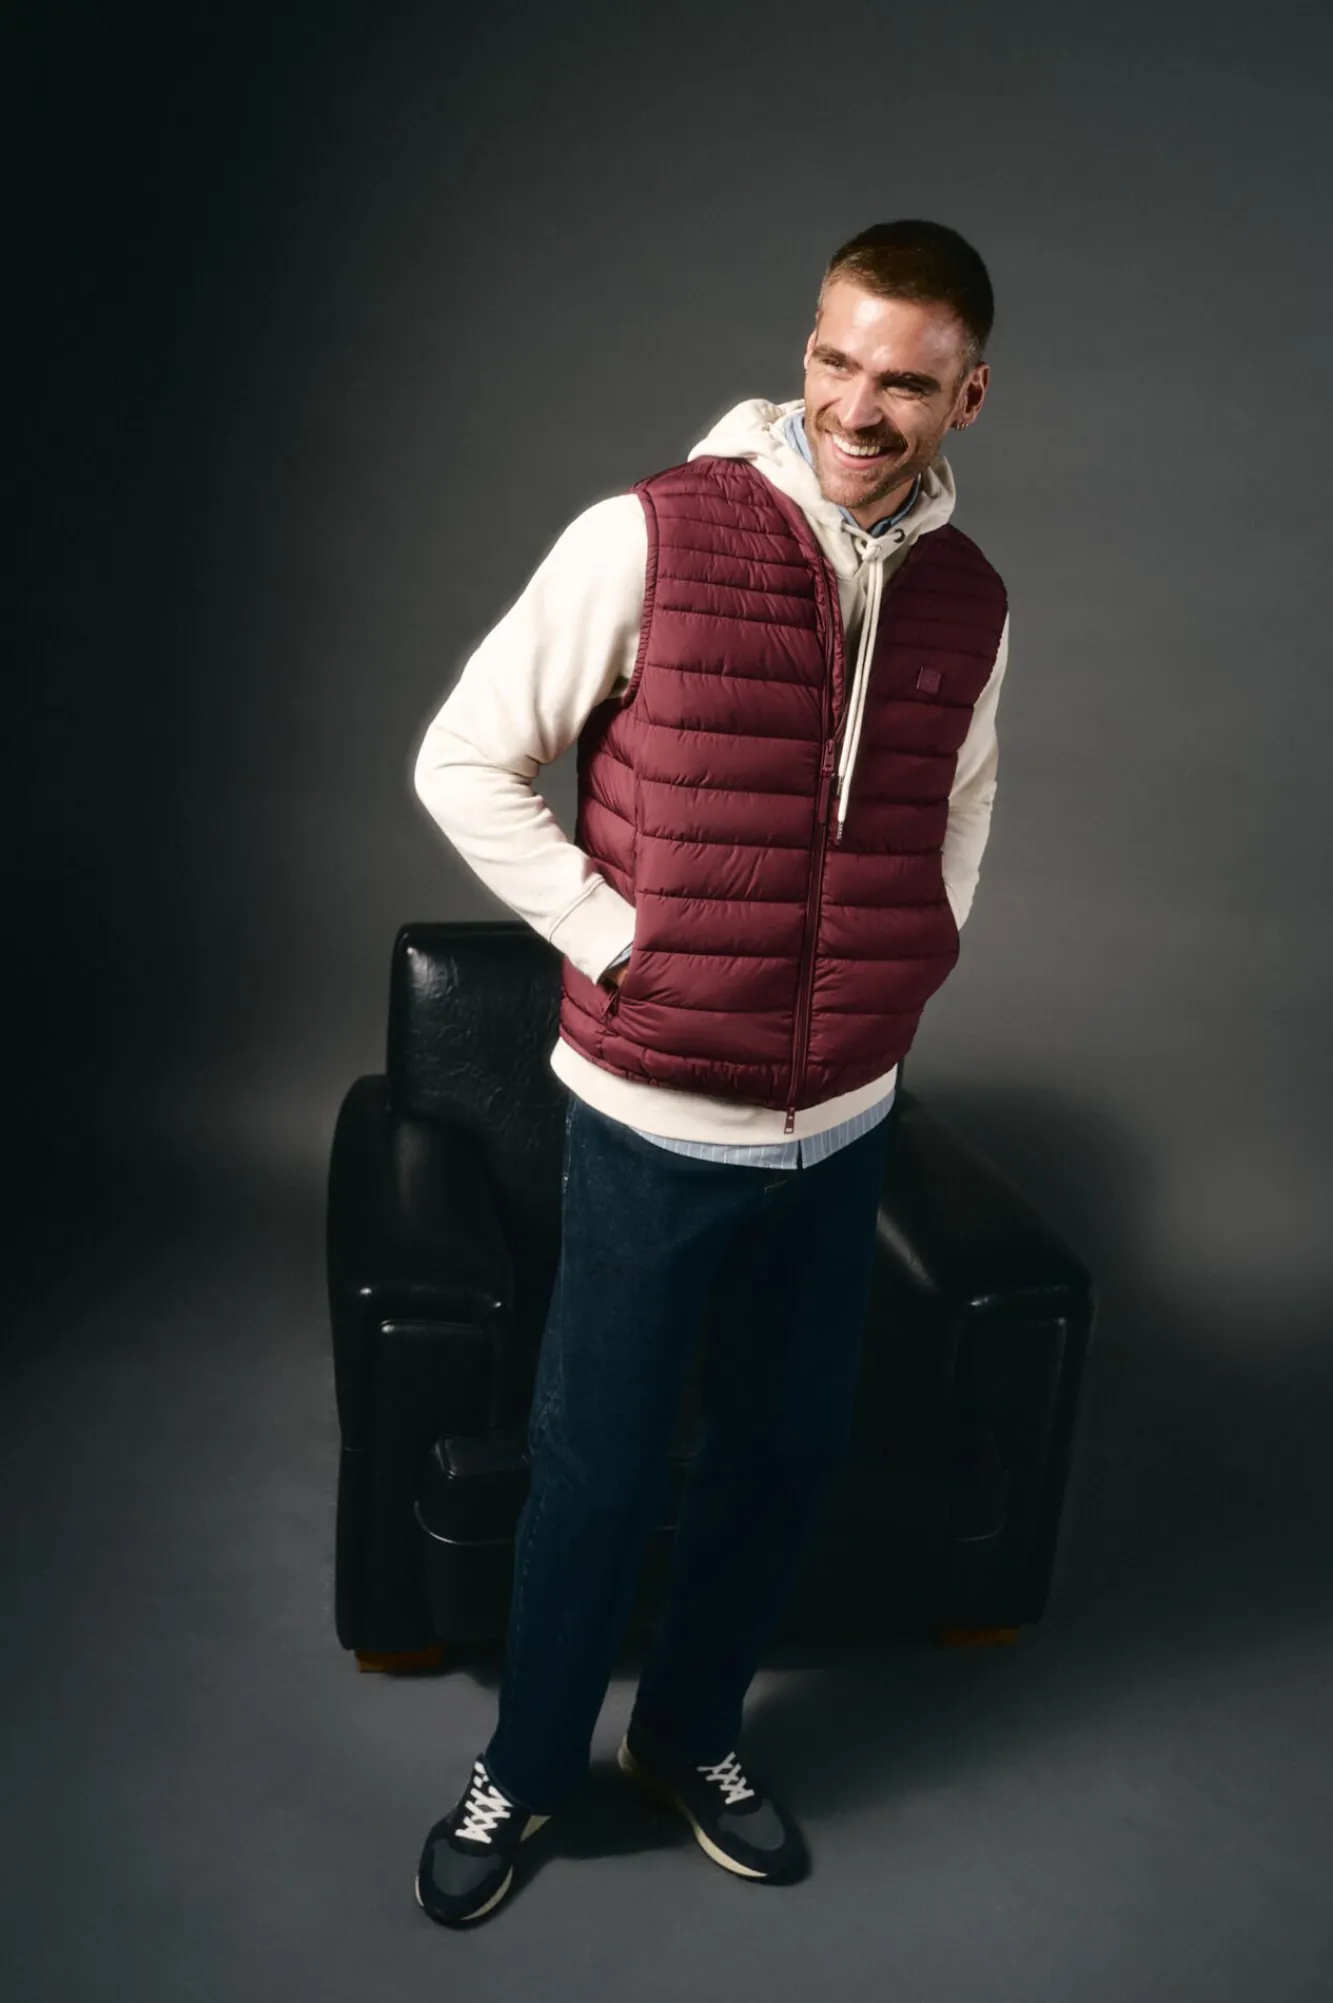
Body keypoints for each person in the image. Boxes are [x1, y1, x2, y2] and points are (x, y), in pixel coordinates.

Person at [409, 218, 1010, 1927]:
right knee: (599, 1466)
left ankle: (688, 1736)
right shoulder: (654, 533)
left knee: (782, 1458)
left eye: (906, 383)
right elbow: (467, 757)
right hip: (654, 1117)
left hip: (845, 1121)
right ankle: (527, 1769)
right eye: (835, 360)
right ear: (803, 347)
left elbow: (962, 803)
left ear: (969, 397)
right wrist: (618, 942)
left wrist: (913, 959)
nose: (858, 407)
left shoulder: (971, 596)